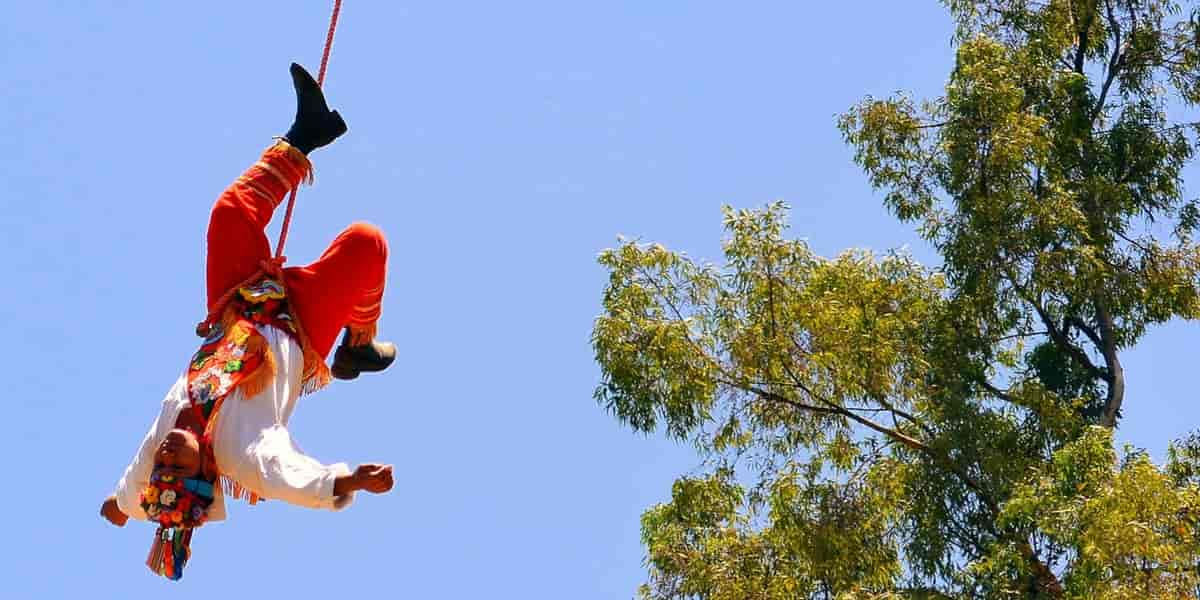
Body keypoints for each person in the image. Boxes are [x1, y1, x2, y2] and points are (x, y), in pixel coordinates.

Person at [98, 63, 396, 580]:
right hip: (299, 326)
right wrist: (349, 482)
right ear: (207, 474)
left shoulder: (159, 448)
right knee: (366, 243)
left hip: (236, 302)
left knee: (229, 215)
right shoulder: (241, 454)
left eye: (160, 467)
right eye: (180, 467)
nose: (168, 455)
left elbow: (130, 490)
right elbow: (288, 477)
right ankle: (358, 346)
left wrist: (121, 511)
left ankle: (307, 134)